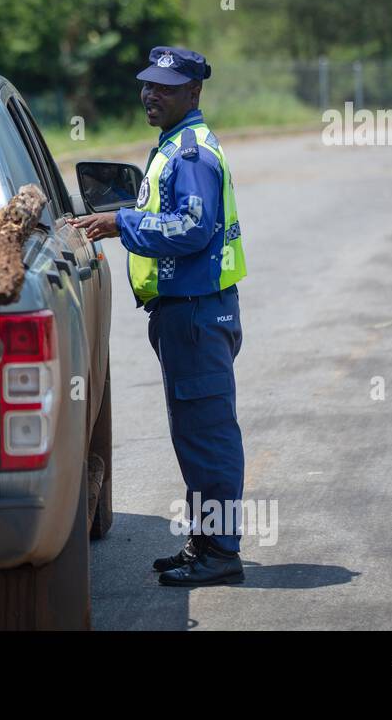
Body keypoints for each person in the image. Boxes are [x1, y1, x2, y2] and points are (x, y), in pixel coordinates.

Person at [72, 46, 248, 586]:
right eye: (148, 85)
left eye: (166, 88)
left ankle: (220, 553)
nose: (151, 94)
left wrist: (116, 224)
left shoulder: (191, 155)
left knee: (207, 436)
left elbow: (192, 229)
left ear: (193, 93)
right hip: (186, 314)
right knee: (193, 433)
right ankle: (206, 542)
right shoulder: (174, 146)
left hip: (196, 314)